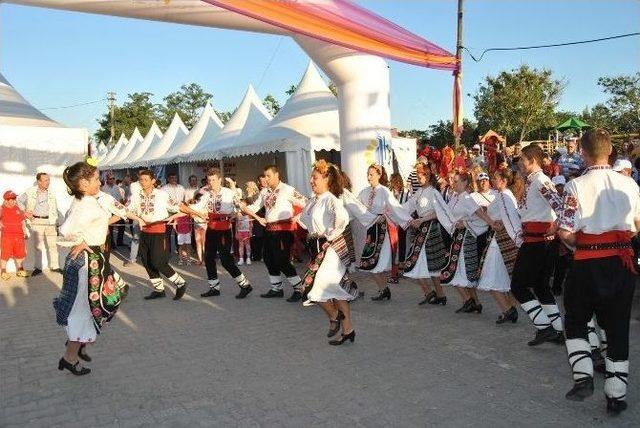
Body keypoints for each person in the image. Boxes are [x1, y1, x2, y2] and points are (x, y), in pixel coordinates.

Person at [558, 129, 640, 414]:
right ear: (610, 152)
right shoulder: (629, 185)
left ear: (583, 152)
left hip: (587, 263)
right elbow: (637, 224)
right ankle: (616, 395)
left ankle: (583, 377)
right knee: (617, 327)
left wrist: (581, 245)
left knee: (577, 319)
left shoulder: (576, 185)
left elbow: (566, 231)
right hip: (621, 263)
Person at [54, 161, 129, 376]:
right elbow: (65, 230)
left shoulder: (85, 201)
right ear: (84, 183)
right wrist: (82, 241)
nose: (100, 182)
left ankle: (76, 349)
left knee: (101, 303)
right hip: (88, 264)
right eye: (96, 179)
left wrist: (84, 239)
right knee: (86, 309)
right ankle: (70, 356)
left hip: (94, 260)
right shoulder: (85, 203)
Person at [298, 160, 357, 346]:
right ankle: (348, 331)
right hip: (318, 246)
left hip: (331, 248)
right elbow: (304, 219)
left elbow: (343, 217)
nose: (311, 181)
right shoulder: (315, 199)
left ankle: (334, 316)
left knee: (314, 287)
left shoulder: (331, 198)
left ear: (327, 179)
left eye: (315, 178)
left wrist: (330, 233)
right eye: (311, 178)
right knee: (336, 291)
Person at [511, 144, 564, 346]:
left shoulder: (541, 180)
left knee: (518, 286)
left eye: (523, 159)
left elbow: (560, 206)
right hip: (536, 239)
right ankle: (557, 330)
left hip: (538, 242)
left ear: (532, 160)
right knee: (541, 286)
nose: (520, 163)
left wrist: (556, 226)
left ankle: (544, 327)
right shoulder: (532, 181)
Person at [181, 168, 253, 299]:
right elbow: (197, 207)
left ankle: (245, 285)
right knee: (208, 258)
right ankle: (214, 287)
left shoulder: (228, 193)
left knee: (226, 260)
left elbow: (239, 206)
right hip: (211, 229)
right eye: (209, 180)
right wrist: (183, 209)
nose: (211, 182)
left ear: (220, 180)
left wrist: (236, 213)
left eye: (214, 180)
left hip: (224, 229)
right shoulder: (205, 194)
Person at [240, 165, 307, 302]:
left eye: (268, 175)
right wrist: (243, 209)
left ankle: (299, 288)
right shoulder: (265, 192)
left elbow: (306, 203)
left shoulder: (288, 190)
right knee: (268, 258)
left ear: (277, 175)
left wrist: (298, 217)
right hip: (269, 229)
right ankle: (276, 288)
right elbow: (255, 207)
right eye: (265, 176)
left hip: (283, 230)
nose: (266, 178)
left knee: (282, 260)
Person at [126, 170, 188, 301]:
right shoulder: (136, 196)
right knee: (146, 261)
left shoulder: (162, 195)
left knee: (158, 262)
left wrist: (189, 213)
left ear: (153, 181)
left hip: (158, 231)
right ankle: (159, 289)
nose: (142, 182)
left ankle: (180, 283)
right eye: (141, 180)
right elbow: (126, 209)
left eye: (145, 180)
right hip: (144, 231)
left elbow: (178, 207)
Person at [357, 164, 412, 301]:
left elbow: (395, 207)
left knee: (376, 263)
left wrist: (408, 220)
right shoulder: (364, 191)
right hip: (371, 229)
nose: (369, 177)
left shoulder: (384, 191)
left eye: (371, 174)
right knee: (369, 263)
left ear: (379, 175)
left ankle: (384, 290)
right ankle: (384, 290)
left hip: (381, 230)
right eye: (368, 174)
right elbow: (356, 206)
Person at [475, 169, 523, 323]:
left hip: (501, 240)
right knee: (503, 276)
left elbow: (512, 217)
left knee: (489, 276)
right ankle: (509, 308)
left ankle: (508, 309)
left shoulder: (503, 195)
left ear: (503, 180)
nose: (493, 180)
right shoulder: (505, 195)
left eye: (495, 177)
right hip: (501, 238)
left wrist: (498, 224)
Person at [440, 172, 491, 313]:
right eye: (453, 181)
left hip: (465, 238)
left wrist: (467, 223)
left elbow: (480, 214)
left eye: (456, 181)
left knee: (455, 269)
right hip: (456, 237)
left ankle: (470, 301)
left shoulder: (467, 198)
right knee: (460, 270)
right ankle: (473, 302)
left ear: (464, 183)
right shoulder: (455, 196)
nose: (453, 183)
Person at [400, 162, 449, 306]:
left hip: (431, 228)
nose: (417, 177)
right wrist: (393, 210)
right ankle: (431, 293)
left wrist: (421, 220)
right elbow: (407, 206)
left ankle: (439, 294)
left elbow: (440, 212)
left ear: (426, 176)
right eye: (417, 174)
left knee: (432, 264)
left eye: (419, 174)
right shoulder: (419, 192)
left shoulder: (433, 192)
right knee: (417, 262)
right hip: (422, 229)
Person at [18, 172, 62, 275]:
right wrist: (25, 212)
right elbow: (19, 201)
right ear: (39, 181)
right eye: (46, 180)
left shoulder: (52, 192)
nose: (48, 182)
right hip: (37, 221)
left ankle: (55, 266)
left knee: (53, 245)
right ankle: (38, 268)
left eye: (49, 180)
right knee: (38, 246)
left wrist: (57, 221)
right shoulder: (30, 191)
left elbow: (54, 207)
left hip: (50, 221)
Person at [0, 191, 29, 280]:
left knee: (20, 253)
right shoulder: (1, 209)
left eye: (14, 199)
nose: (13, 201)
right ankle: (3, 271)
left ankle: (20, 269)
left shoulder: (17, 208)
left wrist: (25, 232)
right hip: (7, 236)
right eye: (11, 199)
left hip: (19, 236)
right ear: (6, 200)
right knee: (5, 254)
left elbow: (22, 221)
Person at [387, 172, 410, 283]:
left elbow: (407, 206)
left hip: (402, 221)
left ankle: (401, 266)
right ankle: (395, 268)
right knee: (394, 244)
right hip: (392, 222)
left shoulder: (406, 192)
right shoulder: (389, 192)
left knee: (401, 243)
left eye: (394, 181)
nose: (393, 183)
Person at [550, 175, 570, 296]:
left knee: (562, 263)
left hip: (564, 235)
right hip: (552, 234)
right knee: (554, 262)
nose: (559, 188)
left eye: (561, 186)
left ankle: (558, 287)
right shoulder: (549, 199)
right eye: (557, 186)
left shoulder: (570, 198)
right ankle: (552, 286)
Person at [101, 173, 126, 248]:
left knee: (122, 226)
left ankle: (120, 241)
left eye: (113, 179)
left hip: (117, 210)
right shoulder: (104, 188)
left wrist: (123, 208)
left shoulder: (116, 187)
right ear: (107, 179)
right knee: (110, 227)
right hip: (108, 210)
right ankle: (111, 243)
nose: (112, 180)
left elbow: (120, 198)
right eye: (110, 179)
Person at [163, 173, 185, 254]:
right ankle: (167, 251)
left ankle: (179, 249)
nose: (174, 179)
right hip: (168, 213)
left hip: (179, 212)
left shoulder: (181, 188)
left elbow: (183, 200)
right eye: (172, 178)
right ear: (168, 179)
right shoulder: (164, 189)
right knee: (167, 233)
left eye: (175, 177)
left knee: (179, 232)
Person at [190, 193, 207, 265]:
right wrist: (198, 214)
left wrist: (199, 215)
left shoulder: (205, 207)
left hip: (204, 226)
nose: (200, 201)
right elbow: (191, 215)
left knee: (204, 243)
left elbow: (206, 216)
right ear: (196, 200)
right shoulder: (193, 207)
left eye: (201, 200)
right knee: (198, 243)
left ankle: (205, 260)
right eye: (199, 200)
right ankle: (200, 259)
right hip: (196, 226)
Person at [235, 200, 252, 266]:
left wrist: (250, 231)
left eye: (243, 204)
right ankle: (241, 259)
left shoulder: (249, 212)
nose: (242, 205)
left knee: (247, 245)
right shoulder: (238, 213)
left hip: (247, 231)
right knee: (241, 245)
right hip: (240, 231)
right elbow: (236, 223)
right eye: (241, 204)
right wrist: (236, 232)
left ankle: (248, 258)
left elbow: (251, 223)